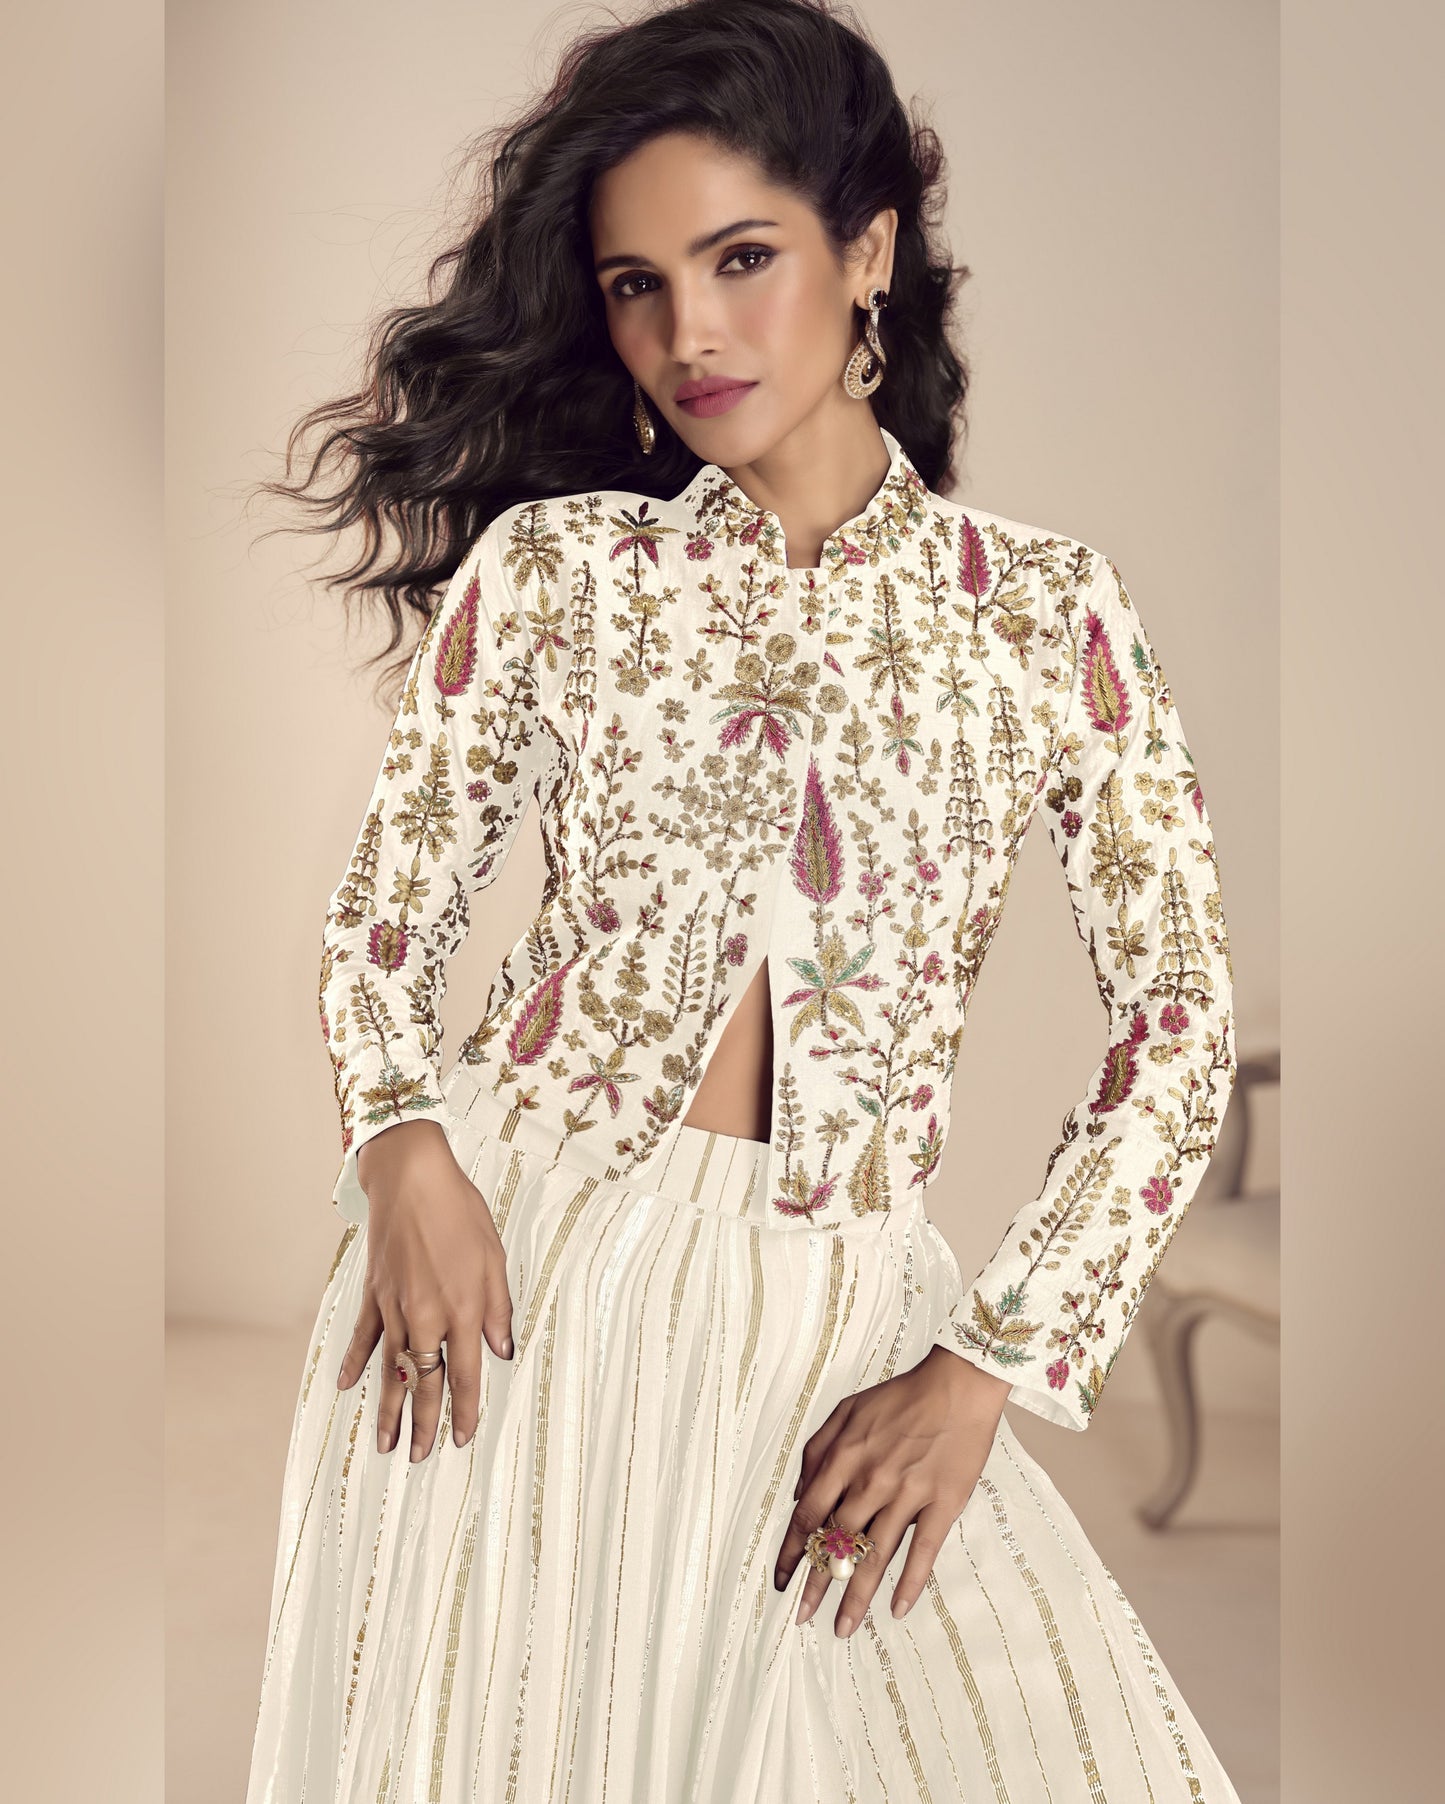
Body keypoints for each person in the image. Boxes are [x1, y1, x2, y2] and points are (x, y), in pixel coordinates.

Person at [245, 2, 1243, 1797]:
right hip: (504, 1288)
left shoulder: (1041, 616)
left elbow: (1178, 1026)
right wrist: (403, 1147)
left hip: (830, 1319)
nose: (687, 332)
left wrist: (986, 1366)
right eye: (638, 283)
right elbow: (383, 925)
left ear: (866, 256)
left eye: (740, 258)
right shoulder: (554, 573)